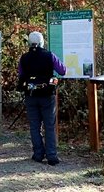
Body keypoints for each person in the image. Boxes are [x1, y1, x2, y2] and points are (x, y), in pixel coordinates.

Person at [17, 31, 67, 165]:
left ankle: (38, 154)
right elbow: (62, 70)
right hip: (47, 95)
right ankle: (51, 156)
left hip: (31, 95)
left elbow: (20, 74)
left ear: (29, 43)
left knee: (34, 126)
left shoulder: (24, 58)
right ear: (42, 42)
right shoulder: (49, 55)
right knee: (49, 126)